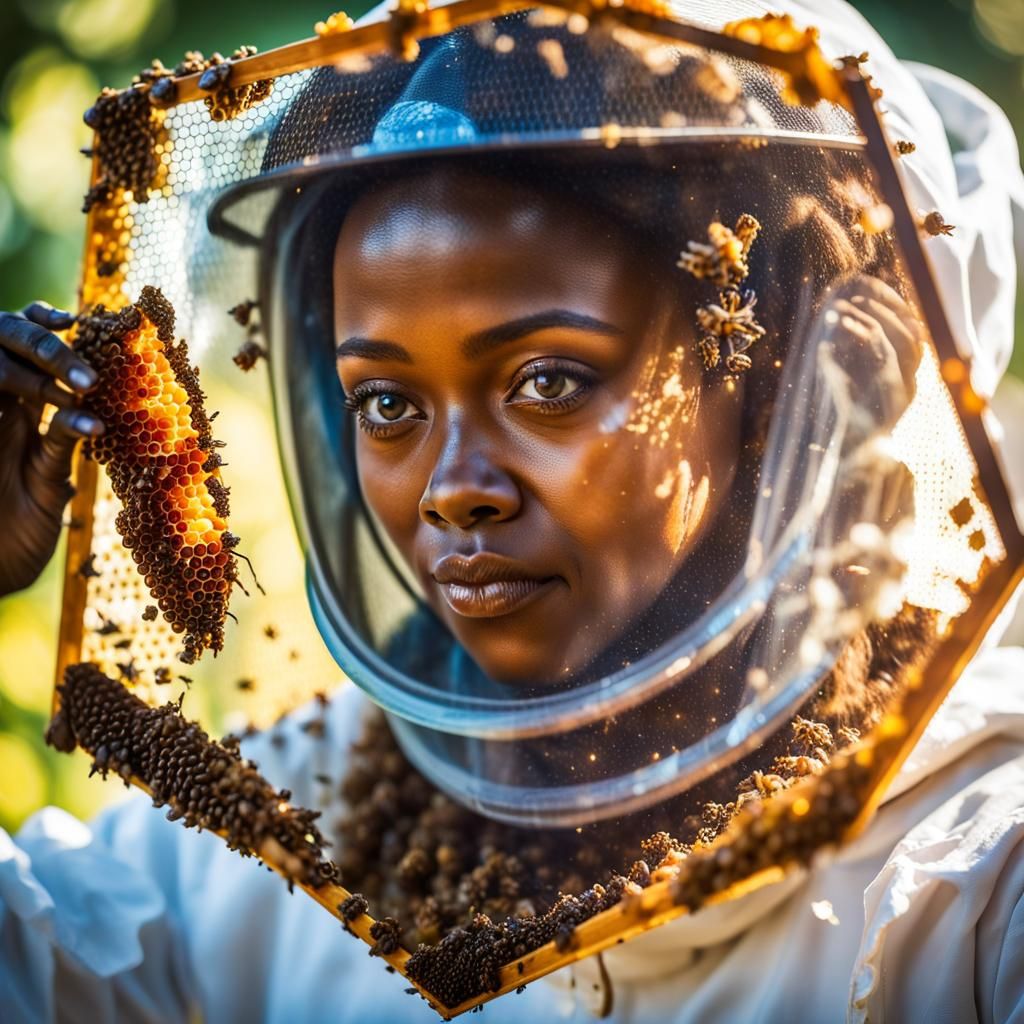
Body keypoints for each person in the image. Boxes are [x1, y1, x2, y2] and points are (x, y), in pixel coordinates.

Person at [1, 0, 1023, 1021]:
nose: (452, 487)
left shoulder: (973, 885)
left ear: (791, 383)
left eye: (548, 381)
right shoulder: (298, 827)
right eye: (387, 404)